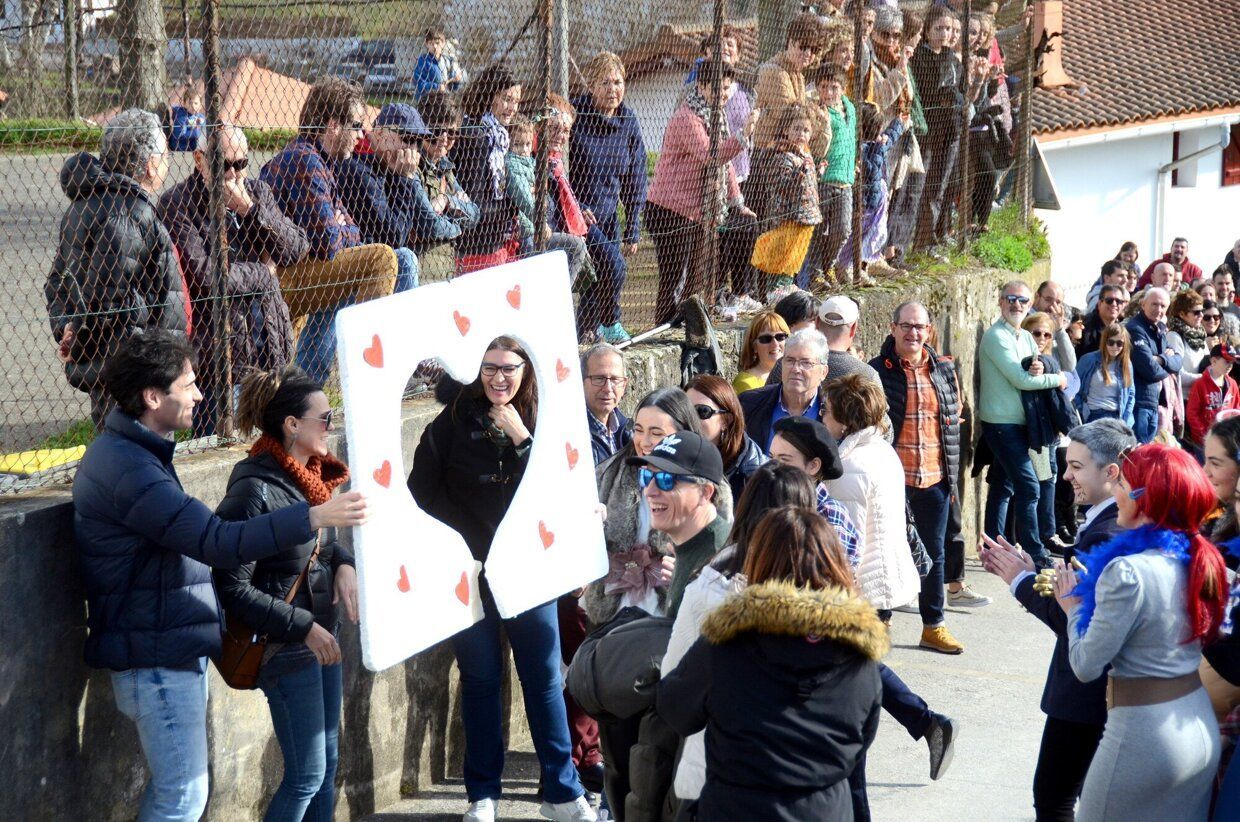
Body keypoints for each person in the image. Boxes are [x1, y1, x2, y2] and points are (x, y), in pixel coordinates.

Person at [73, 331, 366, 821]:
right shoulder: (132, 470)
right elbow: (219, 546)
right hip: (157, 656)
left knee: (295, 776)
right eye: (188, 385)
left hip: (166, 645)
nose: (200, 395)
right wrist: (314, 518)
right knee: (182, 798)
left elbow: (315, 554)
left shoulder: (136, 456)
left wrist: (342, 562)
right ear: (152, 397)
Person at [406, 337, 595, 822]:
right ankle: (482, 794)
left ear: (525, 370)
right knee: (481, 679)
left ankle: (561, 788)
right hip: (470, 575)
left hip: (530, 571)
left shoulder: (545, 421)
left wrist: (522, 440)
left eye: (508, 368)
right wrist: (464, 543)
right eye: (488, 368)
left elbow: (560, 490)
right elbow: (419, 495)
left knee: (544, 679)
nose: (498, 378)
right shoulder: (448, 425)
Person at [657, 507, 886, 822]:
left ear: (758, 562)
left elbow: (675, 710)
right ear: (835, 565)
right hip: (826, 810)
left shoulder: (726, 644)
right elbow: (862, 741)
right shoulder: (861, 659)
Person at [214, 367, 358, 821]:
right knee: (305, 777)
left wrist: (346, 565)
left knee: (327, 766)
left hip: (321, 635)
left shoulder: (314, 478)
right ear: (292, 425)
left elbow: (325, 548)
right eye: (324, 418)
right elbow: (232, 587)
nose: (330, 426)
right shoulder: (253, 488)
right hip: (284, 644)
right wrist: (303, 627)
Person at [1052, 444, 1226, 822]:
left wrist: (1072, 606)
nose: (1115, 494)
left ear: (1144, 498)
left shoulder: (1127, 572)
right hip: (1197, 729)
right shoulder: (1201, 560)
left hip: (1144, 738)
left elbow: (1085, 665)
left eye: (1122, 485)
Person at [980, 418, 1135, 821]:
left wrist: (1019, 579)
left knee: (1054, 799)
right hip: (1101, 695)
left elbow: (1074, 616)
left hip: (1084, 698)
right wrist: (1038, 575)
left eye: (1077, 467)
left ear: (1112, 471)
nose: (1066, 476)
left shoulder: (1106, 533)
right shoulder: (1108, 522)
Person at [659, 463, 819, 809]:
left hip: (717, 771)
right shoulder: (830, 596)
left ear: (745, 510)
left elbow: (672, 677)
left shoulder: (711, 584)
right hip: (802, 778)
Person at [158, 123, 308, 436]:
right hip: (222, 361)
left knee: (278, 446)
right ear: (199, 160)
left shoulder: (256, 192)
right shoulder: (178, 204)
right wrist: (264, 275)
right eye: (223, 164)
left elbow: (295, 248)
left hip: (270, 348)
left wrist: (249, 210)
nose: (233, 174)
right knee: (224, 445)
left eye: (240, 164)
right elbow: (208, 278)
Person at [46, 108, 186, 428]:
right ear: (151, 165)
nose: (168, 161)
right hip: (133, 367)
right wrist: (75, 337)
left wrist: (67, 327)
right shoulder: (130, 212)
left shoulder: (84, 207)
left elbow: (56, 282)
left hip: (114, 363)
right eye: (165, 153)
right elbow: (107, 298)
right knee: (138, 453)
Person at [260, 78, 399, 384]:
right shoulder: (306, 161)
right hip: (280, 279)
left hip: (296, 271)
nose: (362, 133)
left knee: (393, 258)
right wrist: (337, 225)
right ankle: (369, 376)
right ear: (334, 125)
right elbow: (329, 242)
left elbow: (350, 231)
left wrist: (339, 224)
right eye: (357, 125)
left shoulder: (316, 160)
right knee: (382, 259)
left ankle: (312, 382)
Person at [872, 302, 967, 653]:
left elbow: (953, 419)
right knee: (884, 551)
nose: (913, 333)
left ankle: (933, 626)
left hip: (935, 477)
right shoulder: (876, 371)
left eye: (920, 327)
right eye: (906, 326)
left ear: (929, 331)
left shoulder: (944, 369)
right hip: (893, 479)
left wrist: (951, 478)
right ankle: (880, 623)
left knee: (935, 554)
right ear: (893, 327)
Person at [647, 60, 752, 325]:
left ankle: (683, 321)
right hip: (669, 208)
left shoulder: (715, 116)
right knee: (675, 274)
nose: (723, 94)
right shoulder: (687, 117)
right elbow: (711, 155)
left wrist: (736, 201)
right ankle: (664, 325)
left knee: (695, 272)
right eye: (717, 88)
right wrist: (743, 137)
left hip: (694, 210)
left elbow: (725, 166)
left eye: (727, 88)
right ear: (702, 87)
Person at [979, 281, 1067, 568]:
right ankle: (1035, 552)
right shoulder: (996, 337)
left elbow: (1032, 367)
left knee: (1004, 486)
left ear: (1030, 304)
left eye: (1023, 301)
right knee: (1029, 486)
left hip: (1022, 425)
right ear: (1001, 301)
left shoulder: (1025, 337)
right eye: (1011, 299)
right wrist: (1057, 378)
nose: (1017, 305)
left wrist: (1040, 368)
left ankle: (992, 549)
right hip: (1001, 424)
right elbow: (1020, 379)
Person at [822, 373, 920, 619]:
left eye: (826, 410)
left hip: (862, 589)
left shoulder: (850, 466)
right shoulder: (882, 449)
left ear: (844, 420)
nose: (821, 416)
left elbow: (847, 539)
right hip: (882, 579)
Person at [570, 52, 648, 343]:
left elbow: (636, 176)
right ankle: (610, 323)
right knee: (614, 266)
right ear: (591, 86)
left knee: (596, 283)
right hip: (579, 217)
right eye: (605, 82)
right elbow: (558, 167)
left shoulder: (628, 121)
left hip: (608, 215)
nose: (613, 89)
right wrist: (575, 206)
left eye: (618, 82)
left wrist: (633, 228)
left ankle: (585, 337)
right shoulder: (577, 116)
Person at [332, 103, 432, 295]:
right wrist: (404, 179)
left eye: (418, 142)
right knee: (405, 258)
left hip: (363, 270)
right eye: (407, 138)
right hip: (345, 279)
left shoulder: (385, 164)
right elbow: (395, 237)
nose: (412, 149)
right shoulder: (359, 168)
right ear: (379, 133)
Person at [503, 113, 591, 283]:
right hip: (529, 232)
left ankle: (561, 290)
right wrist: (540, 223)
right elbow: (524, 199)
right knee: (573, 249)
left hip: (539, 228)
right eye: (517, 144)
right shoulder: (512, 165)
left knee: (576, 247)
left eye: (527, 144)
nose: (523, 150)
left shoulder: (532, 162)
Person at [451, 65, 522, 274]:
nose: (512, 107)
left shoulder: (499, 137)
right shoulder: (479, 137)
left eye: (516, 101)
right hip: (476, 250)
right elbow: (473, 206)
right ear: (490, 95)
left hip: (495, 241)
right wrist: (513, 206)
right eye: (507, 98)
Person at [767, 415, 860, 565]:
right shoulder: (769, 500)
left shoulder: (828, 512)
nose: (773, 467)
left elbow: (828, 577)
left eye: (784, 460)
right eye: (771, 457)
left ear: (813, 466)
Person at [749, 104, 822, 293]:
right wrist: (802, 172)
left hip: (805, 215)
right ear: (786, 130)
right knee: (783, 254)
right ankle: (776, 289)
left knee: (795, 254)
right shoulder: (783, 156)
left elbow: (808, 184)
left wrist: (817, 171)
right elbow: (780, 183)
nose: (801, 134)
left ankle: (787, 284)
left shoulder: (806, 154)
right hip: (787, 216)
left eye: (806, 130)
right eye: (796, 129)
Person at [410, 91, 480, 284]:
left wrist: (446, 201)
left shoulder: (446, 167)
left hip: (446, 269)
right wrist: (457, 225)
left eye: (452, 133)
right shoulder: (412, 167)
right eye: (435, 131)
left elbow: (474, 214)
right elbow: (428, 224)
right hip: (420, 271)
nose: (444, 139)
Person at [910, 5, 964, 253]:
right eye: (939, 28)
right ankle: (910, 243)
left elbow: (960, 96)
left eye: (950, 29)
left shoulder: (953, 60)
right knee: (919, 188)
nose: (945, 34)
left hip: (950, 132)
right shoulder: (919, 57)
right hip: (927, 133)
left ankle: (927, 242)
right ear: (927, 30)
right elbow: (926, 93)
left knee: (938, 189)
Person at [835, 103, 905, 278]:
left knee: (875, 232)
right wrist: (880, 145)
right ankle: (847, 266)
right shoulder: (865, 149)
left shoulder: (876, 145)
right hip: (866, 200)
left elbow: (890, 137)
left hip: (877, 200)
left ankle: (869, 261)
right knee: (857, 234)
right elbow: (885, 145)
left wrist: (898, 124)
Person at [800, 64, 856, 285]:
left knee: (843, 229)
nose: (829, 93)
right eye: (823, 87)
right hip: (824, 178)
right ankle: (815, 274)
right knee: (818, 228)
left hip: (845, 179)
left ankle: (829, 264)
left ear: (843, 88)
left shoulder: (849, 109)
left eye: (834, 87)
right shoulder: (818, 111)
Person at [740, 328, 831, 452]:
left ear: (823, 372)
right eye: (790, 360)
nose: (796, 369)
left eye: (806, 363)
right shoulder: (749, 404)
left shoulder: (835, 412)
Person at [752, 12, 830, 154]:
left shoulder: (798, 75)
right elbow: (793, 116)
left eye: (814, 49)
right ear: (791, 42)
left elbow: (806, 123)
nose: (808, 53)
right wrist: (816, 113)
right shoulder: (775, 72)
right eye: (803, 46)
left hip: (784, 151)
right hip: (765, 154)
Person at [686, 374, 766, 503]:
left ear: (726, 420)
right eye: (686, 411)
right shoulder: (671, 458)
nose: (691, 420)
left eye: (702, 411)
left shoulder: (757, 477)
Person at [1125, 287, 1181, 443]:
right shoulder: (1135, 328)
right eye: (1154, 304)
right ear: (1143, 304)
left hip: (1154, 402)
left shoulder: (1160, 330)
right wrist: (1167, 367)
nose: (1159, 309)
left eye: (1163, 306)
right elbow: (1149, 369)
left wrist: (1161, 360)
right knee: (1139, 451)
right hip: (1139, 402)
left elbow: (1178, 362)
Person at [1074, 322, 1136, 427]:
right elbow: (1074, 387)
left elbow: (1130, 394)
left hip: (1117, 417)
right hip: (1093, 416)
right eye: (1110, 342)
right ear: (1104, 342)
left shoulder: (1126, 364)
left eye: (1119, 343)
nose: (1115, 346)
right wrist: (1081, 411)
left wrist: (1125, 420)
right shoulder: (1089, 360)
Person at [581, 343, 631, 467]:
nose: (608, 388)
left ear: (624, 385)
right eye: (599, 379)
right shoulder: (572, 436)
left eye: (615, 379)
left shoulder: (631, 431)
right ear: (581, 382)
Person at [1186, 343, 1240, 447]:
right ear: (1213, 361)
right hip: (1203, 442)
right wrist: (1204, 435)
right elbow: (1192, 414)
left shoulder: (1233, 384)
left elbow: (1236, 410)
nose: (1230, 366)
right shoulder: (1200, 384)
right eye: (1227, 362)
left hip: (1226, 440)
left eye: (1232, 362)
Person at [734, 310, 790, 393]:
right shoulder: (745, 384)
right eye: (766, 339)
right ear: (754, 346)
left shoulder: (792, 374)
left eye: (780, 337)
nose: (775, 344)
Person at [1166, 288, 1209, 393]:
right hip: (1184, 399)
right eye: (1196, 312)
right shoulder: (1174, 336)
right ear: (1181, 314)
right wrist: (1206, 377)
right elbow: (1178, 375)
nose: (1201, 315)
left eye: (1202, 311)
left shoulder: (1200, 335)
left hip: (1201, 396)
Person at [1032, 280, 1079, 375]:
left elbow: (1070, 365)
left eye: (1058, 302)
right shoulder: (1025, 320)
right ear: (1037, 297)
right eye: (1048, 299)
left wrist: (1060, 329)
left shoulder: (1056, 326)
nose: (1053, 306)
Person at [1077, 283, 1129, 358]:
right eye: (1109, 300)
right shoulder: (1084, 327)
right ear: (1099, 304)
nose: (1114, 304)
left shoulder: (1123, 329)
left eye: (1118, 301)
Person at [413, 28, 464, 101]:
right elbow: (419, 84)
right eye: (431, 43)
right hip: (427, 102)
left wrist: (457, 80)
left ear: (443, 43)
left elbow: (453, 87)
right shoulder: (423, 61)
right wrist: (437, 87)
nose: (435, 46)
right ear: (427, 44)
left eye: (437, 43)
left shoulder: (447, 61)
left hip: (444, 100)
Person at [1139, 236, 1203, 288]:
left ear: (1187, 250)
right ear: (1171, 248)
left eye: (1182, 247)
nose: (1179, 249)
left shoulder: (1195, 270)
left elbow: (1200, 289)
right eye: (1176, 246)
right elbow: (1142, 283)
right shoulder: (1157, 265)